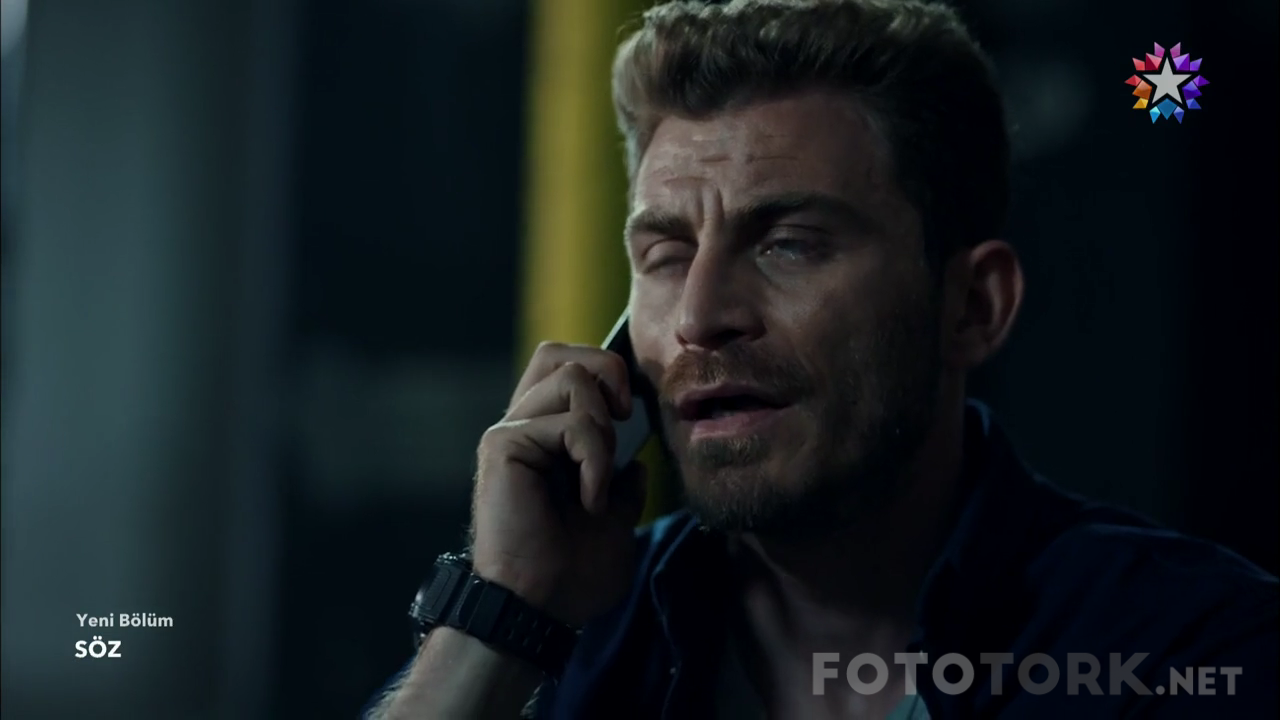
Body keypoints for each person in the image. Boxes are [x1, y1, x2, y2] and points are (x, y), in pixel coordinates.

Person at [364, 1, 1278, 717]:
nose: (700, 319)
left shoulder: (1186, 648)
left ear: (972, 306)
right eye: (667, 256)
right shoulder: (570, 644)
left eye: (789, 244)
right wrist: (500, 616)